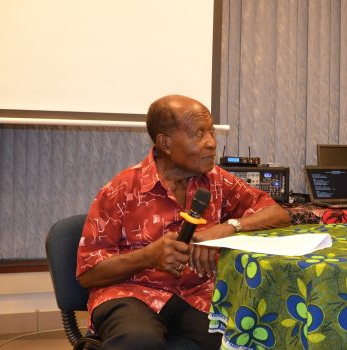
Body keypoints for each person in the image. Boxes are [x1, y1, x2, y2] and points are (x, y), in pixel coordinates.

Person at [76, 95, 291, 350]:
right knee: (139, 341)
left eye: (211, 132)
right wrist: (149, 256)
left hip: (195, 295)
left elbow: (277, 213)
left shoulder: (216, 181)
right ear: (165, 143)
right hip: (131, 293)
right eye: (199, 134)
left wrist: (227, 228)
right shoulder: (121, 189)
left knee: (247, 339)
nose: (211, 143)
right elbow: (88, 274)